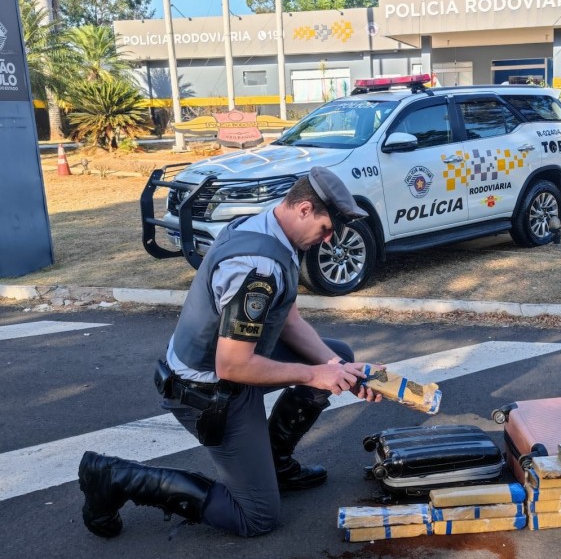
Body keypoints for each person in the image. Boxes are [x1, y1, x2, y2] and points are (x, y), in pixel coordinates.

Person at [79, 166, 382, 538]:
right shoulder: (257, 267)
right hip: (207, 391)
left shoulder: (267, 228)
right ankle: (114, 476)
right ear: (304, 208)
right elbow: (233, 365)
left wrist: (339, 369)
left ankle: (272, 464)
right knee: (256, 517)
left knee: (336, 354)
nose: (329, 240)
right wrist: (315, 374)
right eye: (326, 229)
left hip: (232, 369)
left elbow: (288, 321)